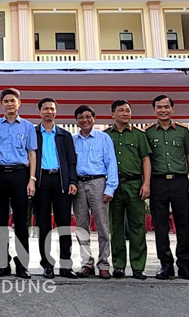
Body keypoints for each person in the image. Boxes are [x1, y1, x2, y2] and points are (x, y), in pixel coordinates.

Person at [145, 95, 189, 280]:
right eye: (159, 107)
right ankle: (165, 265)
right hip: (158, 182)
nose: (163, 110)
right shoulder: (148, 132)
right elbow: (147, 160)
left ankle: (184, 265)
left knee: (183, 224)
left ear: (173, 109)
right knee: (160, 225)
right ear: (154, 110)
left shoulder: (182, 131)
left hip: (180, 181)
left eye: (166, 107)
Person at [0, 88, 38, 279]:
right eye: (6, 101)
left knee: (21, 222)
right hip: (0, 174)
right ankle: (3, 263)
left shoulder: (27, 127)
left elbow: (32, 153)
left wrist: (31, 179)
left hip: (20, 175)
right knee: (0, 221)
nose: (10, 104)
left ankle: (22, 264)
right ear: (1, 104)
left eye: (13, 101)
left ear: (19, 103)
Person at [33, 98, 79, 279]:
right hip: (42, 182)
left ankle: (66, 265)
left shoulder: (64, 135)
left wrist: (72, 181)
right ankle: (47, 264)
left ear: (55, 112)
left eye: (51, 109)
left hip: (61, 182)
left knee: (64, 225)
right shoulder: (33, 133)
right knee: (44, 225)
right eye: (45, 109)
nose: (48, 112)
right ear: (39, 112)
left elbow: (71, 161)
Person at [106, 99, 151, 279]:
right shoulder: (106, 135)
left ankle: (138, 266)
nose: (125, 114)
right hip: (113, 186)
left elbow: (146, 160)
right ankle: (118, 265)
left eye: (127, 111)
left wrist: (146, 183)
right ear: (112, 114)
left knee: (137, 226)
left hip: (134, 184)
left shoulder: (139, 135)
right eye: (121, 111)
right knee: (115, 227)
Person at [71, 105, 118, 279]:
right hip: (79, 184)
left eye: (88, 116)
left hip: (98, 183)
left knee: (102, 226)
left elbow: (111, 163)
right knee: (81, 227)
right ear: (76, 120)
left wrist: (110, 188)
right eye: (81, 117)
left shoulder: (103, 138)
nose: (85, 120)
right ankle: (86, 263)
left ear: (94, 118)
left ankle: (104, 263)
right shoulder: (73, 140)